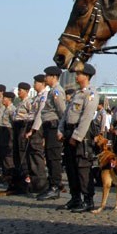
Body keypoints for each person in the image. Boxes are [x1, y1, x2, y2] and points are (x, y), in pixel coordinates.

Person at [57, 63, 100, 213]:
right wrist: (61, 130)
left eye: (79, 74)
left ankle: (88, 200)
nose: (76, 76)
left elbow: (86, 117)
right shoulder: (76, 94)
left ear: (86, 76)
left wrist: (76, 136)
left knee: (82, 167)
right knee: (70, 167)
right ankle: (75, 198)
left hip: (81, 135)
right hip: (69, 131)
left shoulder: (91, 94)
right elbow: (66, 114)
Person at [36, 66, 68, 201]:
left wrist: (62, 130)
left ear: (54, 77)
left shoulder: (56, 92)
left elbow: (62, 112)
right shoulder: (52, 91)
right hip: (49, 127)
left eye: (47, 76)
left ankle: (55, 187)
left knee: (53, 158)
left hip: (55, 127)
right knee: (49, 157)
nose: (45, 78)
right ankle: (54, 184)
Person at [25, 74, 49, 196]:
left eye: (35, 83)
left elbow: (40, 114)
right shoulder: (37, 97)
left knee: (36, 156)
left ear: (41, 84)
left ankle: (41, 185)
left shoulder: (44, 96)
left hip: (37, 129)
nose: (34, 85)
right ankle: (34, 184)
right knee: (31, 157)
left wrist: (33, 130)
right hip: (31, 126)